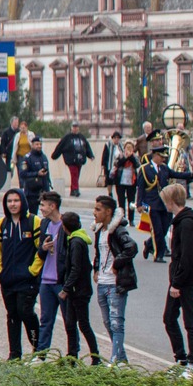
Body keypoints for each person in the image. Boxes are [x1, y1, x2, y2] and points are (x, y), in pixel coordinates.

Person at [0, 189, 45, 359]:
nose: (12, 204)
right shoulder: (2, 224)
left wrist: (32, 271)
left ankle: (39, 348)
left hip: (27, 279)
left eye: (16, 200)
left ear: (23, 202)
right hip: (8, 280)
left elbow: (40, 249)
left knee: (25, 311)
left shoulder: (34, 222)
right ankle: (15, 354)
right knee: (12, 315)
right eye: (9, 201)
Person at [161, 184, 193, 372]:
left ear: (171, 201)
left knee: (190, 321)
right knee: (169, 317)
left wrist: (176, 283)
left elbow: (186, 256)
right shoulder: (182, 221)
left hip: (186, 280)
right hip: (179, 278)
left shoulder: (186, 223)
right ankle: (181, 358)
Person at [91, 194, 138, 367]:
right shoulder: (99, 231)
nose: (94, 213)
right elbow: (98, 253)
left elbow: (131, 247)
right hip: (102, 282)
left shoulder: (118, 230)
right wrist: (95, 269)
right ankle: (122, 357)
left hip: (115, 283)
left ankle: (115, 359)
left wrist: (117, 264)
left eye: (98, 209)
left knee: (117, 321)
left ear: (108, 211)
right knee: (107, 322)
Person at [57, 211, 100, 364]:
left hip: (79, 291)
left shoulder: (76, 242)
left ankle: (95, 357)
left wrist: (66, 289)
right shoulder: (75, 239)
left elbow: (76, 269)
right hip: (75, 291)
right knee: (70, 323)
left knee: (83, 324)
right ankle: (71, 356)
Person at [32, 192, 67, 353]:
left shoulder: (65, 224)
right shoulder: (45, 224)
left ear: (53, 206)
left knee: (69, 321)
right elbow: (40, 251)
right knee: (45, 320)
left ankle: (72, 356)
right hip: (46, 280)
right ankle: (41, 354)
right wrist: (44, 248)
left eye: (43, 206)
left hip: (61, 281)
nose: (41, 209)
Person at [53, 126, 93, 197]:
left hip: (80, 160)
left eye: (76, 127)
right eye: (74, 127)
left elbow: (87, 147)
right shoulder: (67, 137)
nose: (75, 129)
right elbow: (60, 146)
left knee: (77, 175)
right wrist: (54, 155)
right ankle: (75, 189)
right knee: (74, 174)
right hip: (71, 160)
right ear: (71, 128)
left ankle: (73, 189)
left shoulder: (81, 137)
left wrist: (91, 155)